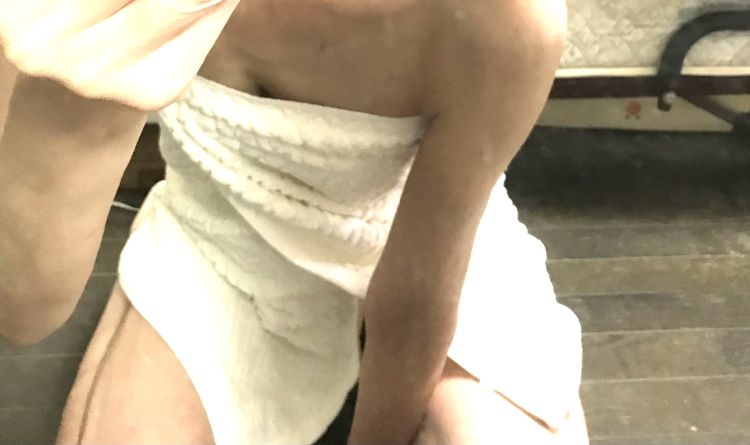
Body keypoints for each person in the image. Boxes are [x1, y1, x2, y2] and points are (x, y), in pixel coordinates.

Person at [0, 0, 588, 444]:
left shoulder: (507, 21)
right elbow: (21, 310)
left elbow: (420, 286)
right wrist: (68, 119)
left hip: (420, 238)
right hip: (221, 237)